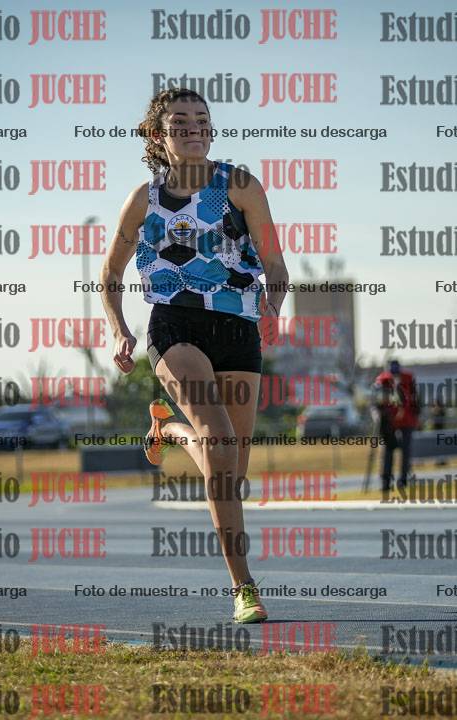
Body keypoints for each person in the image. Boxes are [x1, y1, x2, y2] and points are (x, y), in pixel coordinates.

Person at [99, 88, 290, 622]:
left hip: (238, 326)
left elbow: (275, 264)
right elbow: (110, 273)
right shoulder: (144, 199)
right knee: (221, 443)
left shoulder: (240, 185)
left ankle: (170, 431)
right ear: (158, 135)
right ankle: (244, 587)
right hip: (175, 325)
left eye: (201, 120)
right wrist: (118, 331)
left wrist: (274, 305)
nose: (193, 129)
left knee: (229, 471)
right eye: (180, 122)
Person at [372, 359, 420, 502]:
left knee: (406, 450)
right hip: (390, 422)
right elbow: (376, 402)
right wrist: (380, 417)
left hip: (407, 420)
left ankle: (403, 480)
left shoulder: (408, 378)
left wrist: (417, 416)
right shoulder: (382, 380)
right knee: (388, 452)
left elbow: (415, 399)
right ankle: (386, 482)